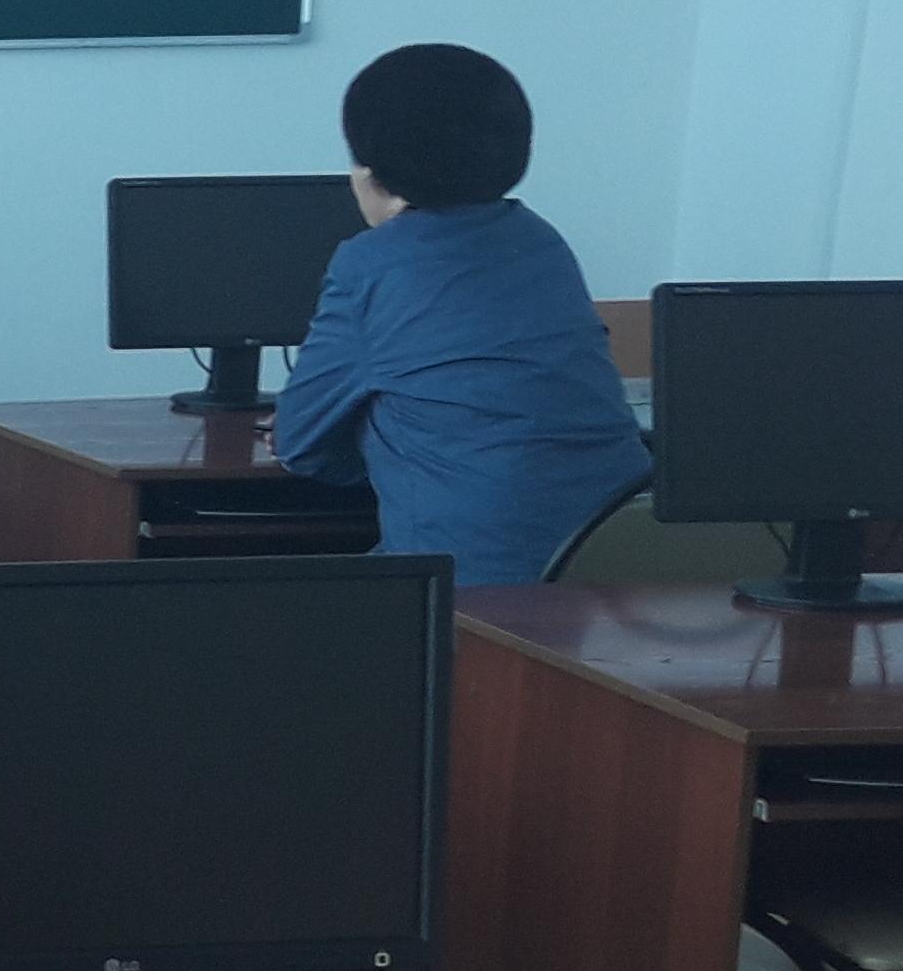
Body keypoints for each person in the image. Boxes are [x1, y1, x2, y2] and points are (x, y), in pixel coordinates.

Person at [268, 44, 650, 588]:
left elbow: (300, 444)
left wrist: (387, 450)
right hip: (616, 557)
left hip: (475, 582)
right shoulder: (541, 241)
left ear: (370, 173)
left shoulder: (371, 264)